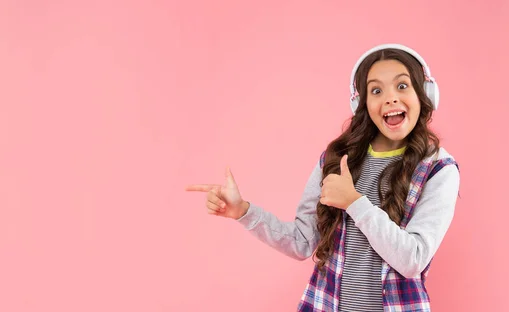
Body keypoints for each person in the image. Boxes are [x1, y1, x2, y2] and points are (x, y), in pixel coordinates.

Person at [185, 43, 460, 312]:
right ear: (363, 103)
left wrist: (354, 202)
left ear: (424, 94)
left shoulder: (438, 169)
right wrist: (243, 211)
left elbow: (413, 259)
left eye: (402, 86)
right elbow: (302, 242)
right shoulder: (338, 159)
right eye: (376, 90)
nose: (390, 98)